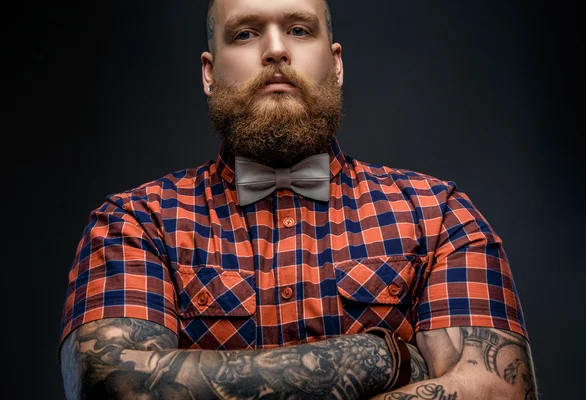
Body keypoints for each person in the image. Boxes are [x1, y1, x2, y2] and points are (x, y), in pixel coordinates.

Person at [58, 0, 539, 399]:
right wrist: (383, 358)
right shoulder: (134, 224)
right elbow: (117, 386)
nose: (275, 50)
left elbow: (497, 391)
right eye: (245, 34)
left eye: (298, 29)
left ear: (337, 62)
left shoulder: (439, 216)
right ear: (208, 73)